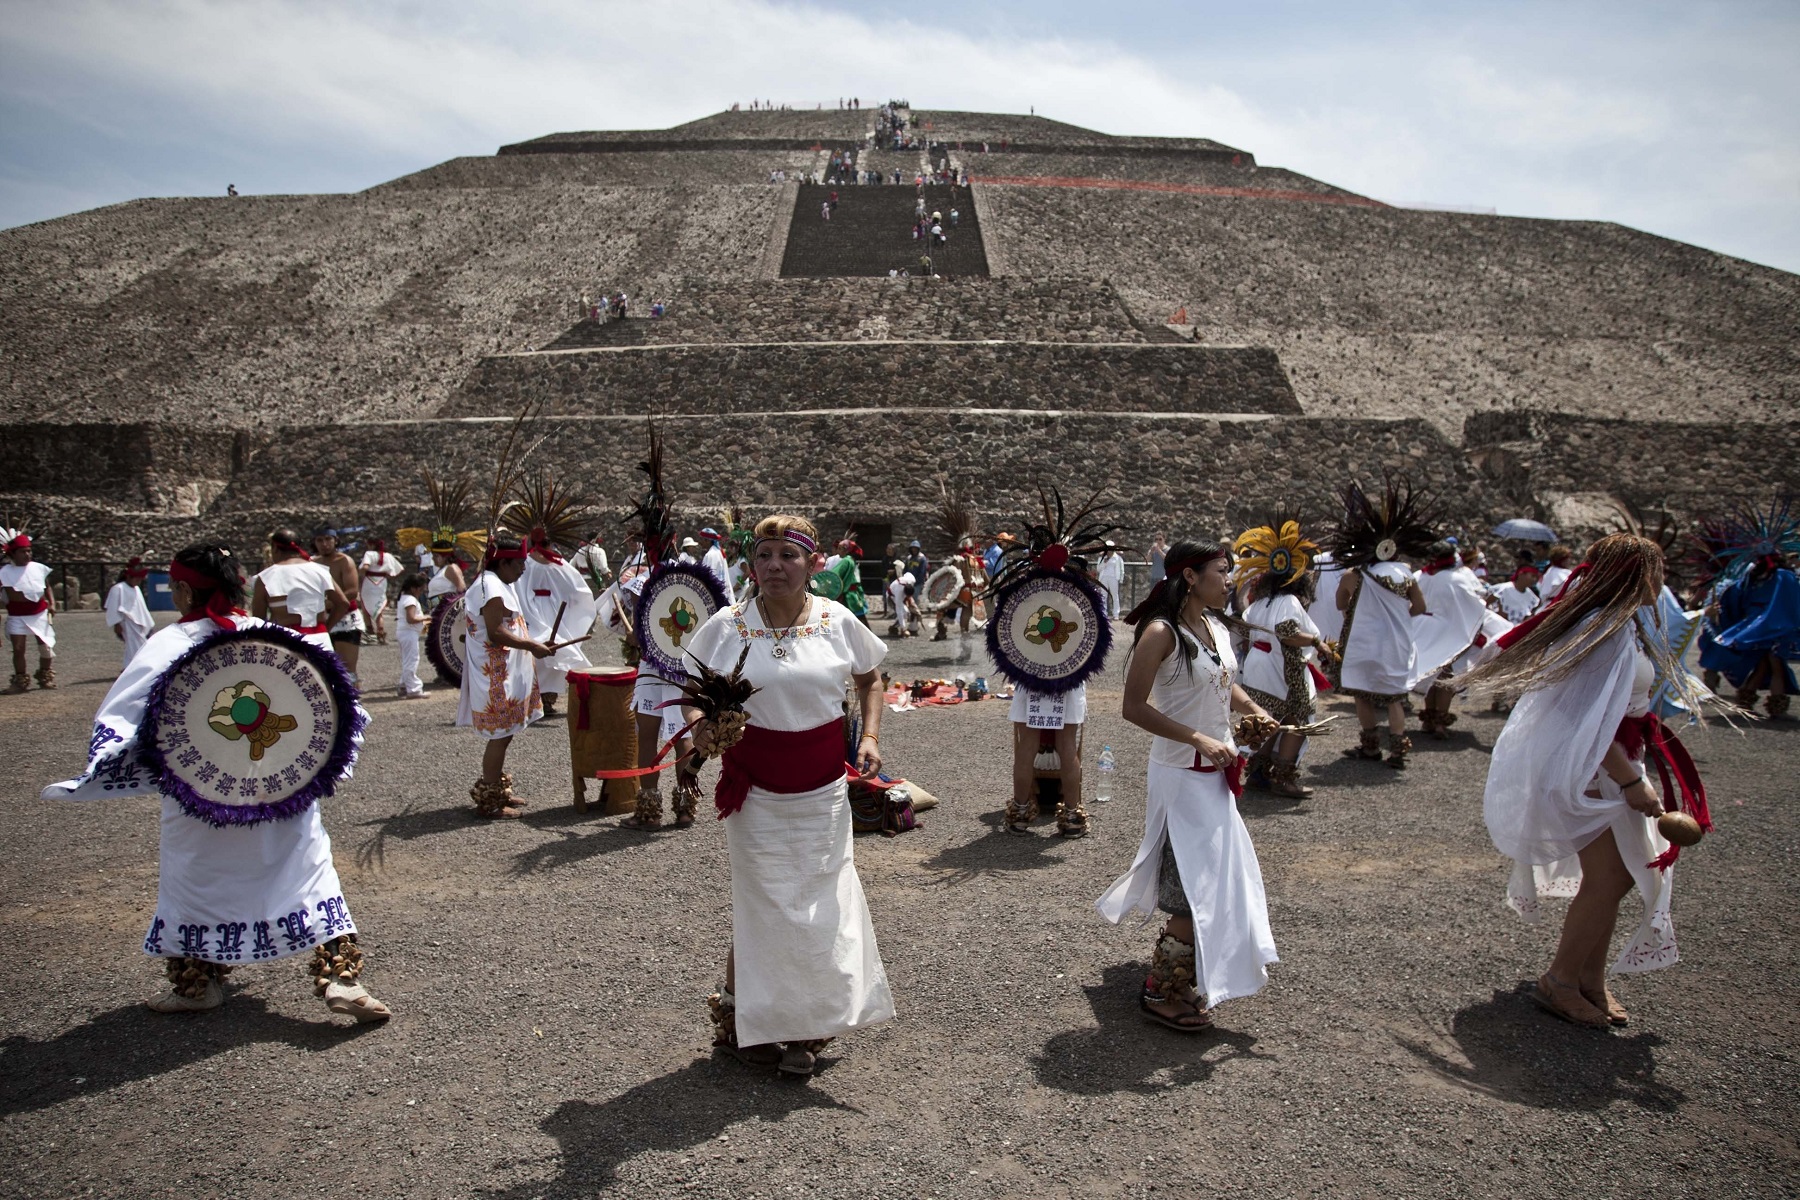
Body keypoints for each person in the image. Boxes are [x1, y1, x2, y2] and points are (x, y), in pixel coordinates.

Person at [41, 543, 389, 1021]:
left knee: (195, 883)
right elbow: (339, 710)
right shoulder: (272, 637)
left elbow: (123, 719)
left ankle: (195, 985)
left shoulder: (170, 643)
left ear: (183, 589)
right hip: (281, 790)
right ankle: (342, 978)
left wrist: (102, 768)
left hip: (203, 798)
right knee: (308, 871)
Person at [1457, 533, 1711, 1028]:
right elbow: (1583, 721)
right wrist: (1630, 781)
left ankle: (1590, 979)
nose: (1662, 582)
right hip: (1595, 768)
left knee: (1616, 878)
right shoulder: (1604, 630)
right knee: (1613, 876)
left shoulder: (1620, 624)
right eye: (1656, 572)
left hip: (1610, 762)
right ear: (1636, 575)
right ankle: (1561, 979)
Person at [685, 515, 892, 1077]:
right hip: (753, 795)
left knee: (822, 904)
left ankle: (806, 1028)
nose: (775, 565)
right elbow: (693, 693)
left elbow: (871, 677)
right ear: (751, 564)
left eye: (788, 555)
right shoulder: (727, 626)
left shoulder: (836, 620)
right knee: (764, 903)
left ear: (812, 563)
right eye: (765, 555)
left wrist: (869, 736)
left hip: (822, 793)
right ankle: (741, 1021)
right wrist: (703, 728)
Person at [1098, 541, 1281, 1032]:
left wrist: (1254, 711)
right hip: (1180, 776)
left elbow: (1225, 683)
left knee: (1221, 880)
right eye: (1223, 571)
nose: (1231, 579)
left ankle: (1186, 976)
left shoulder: (1216, 628)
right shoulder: (1162, 633)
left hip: (1215, 778)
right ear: (1192, 577)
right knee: (1190, 885)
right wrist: (1197, 737)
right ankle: (1160, 991)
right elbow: (1132, 707)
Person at [1325, 479, 1436, 769]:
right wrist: (1398, 617)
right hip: (1395, 644)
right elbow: (1421, 607)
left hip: (1362, 644)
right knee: (1394, 698)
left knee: (1362, 694)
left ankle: (1370, 747)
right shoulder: (1406, 574)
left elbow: (1340, 604)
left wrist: (1359, 614)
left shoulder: (1353, 575)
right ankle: (1398, 751)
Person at [458, 533, 555, 819]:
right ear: (502, 564)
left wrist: (533, 643)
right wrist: (531, 645)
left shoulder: (497, 583)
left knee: (506, 734)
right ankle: (490, 801)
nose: (524, 568)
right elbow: (495, 632)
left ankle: (497, 789)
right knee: (500, 736)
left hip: (503, 670)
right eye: (519, 564)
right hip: (495, 675)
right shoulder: (489, 587)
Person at [1232, 518, 1330, 798]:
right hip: (1282, 668)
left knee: (1267, 719)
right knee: (1297, 720)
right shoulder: (1289, 602)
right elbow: (1286, 632)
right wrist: (1315, 641)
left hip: (1257, 667)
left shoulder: (1261, 602)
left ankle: (1259, 773)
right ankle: (1284, 778)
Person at [1409, 540, 1492, 740]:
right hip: (1447, 631)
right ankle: (1439, 722)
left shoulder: (1419, 576)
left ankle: (1428, 719)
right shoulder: (1455, 579)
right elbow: (1474, 603)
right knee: (1445, 676)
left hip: (1419, 629)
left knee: (1429, 672)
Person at [251, 529, 349, 653]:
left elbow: (258, 620)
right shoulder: (319, 570)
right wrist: (326, 627)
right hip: (320, 641)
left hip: (284, 642)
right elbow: (343, 603)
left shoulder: (265, 577)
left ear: (274, 548)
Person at [2, 527, 55, 692]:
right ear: (14, 554)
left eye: (29, 551)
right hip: (17, 614)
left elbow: (47, 587)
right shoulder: (4, 573)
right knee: (18, 649)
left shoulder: (38, 568)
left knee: (45, 647)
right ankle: (20, 680)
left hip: (39, 613)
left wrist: (52, 603)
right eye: (23, 552)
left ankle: (45, 677)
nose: (27, 555)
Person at [312, 528, 365, 686]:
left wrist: (328, 602)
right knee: (324, 668)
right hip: (322, 617)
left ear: (335, 540)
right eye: (320, 540)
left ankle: (354, 705)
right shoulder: (312, 563)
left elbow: (352, 591)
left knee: (347, 669)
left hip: (345, 618)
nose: (324, 544)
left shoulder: (344, 561)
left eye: (328, 539)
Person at [104, 557, 157, 669]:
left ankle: (129, 667)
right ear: (128, 576)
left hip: (138, 622)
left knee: (137, 646)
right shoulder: (118, 588)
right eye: (136, 578)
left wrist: (147, 621)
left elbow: (141, 607)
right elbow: (113, 607)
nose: (138, 581)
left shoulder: (136, 589)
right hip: (127, 621)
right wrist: (117, 624)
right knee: (134, 646)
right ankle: (135, 667)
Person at [358, 539, 403, 645]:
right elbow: (399, 569)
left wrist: (358, 573)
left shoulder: (369, 554)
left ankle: (370, 633)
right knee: (379, 608)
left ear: (372, 545)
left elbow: (365, 567)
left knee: (366, 608)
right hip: (382, 582)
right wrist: (386, 575)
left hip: (369, 582)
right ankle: (381, 632)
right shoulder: (387, 556)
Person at [395, 573, 429, 698]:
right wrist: (426, 617)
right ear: (414, 588)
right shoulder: (410, 600)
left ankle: (404, 685)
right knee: (412, 660)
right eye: (420, 589)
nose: (421, 592)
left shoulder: (404, 598)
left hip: (405, 632)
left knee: (407, 660)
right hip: (409, 632)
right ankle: (413, 688)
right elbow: (411, 618)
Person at [1097, 541, 1126, 618]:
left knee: (1115, 596)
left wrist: (1121, 579)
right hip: (1103, 578)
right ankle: (1104, 613)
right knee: (1103, 596)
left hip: (1113, 578)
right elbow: (1098, 569)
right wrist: (1104, 563)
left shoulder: (1118, 558)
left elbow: (1121, 569)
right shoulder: (1102, 558)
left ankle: (1116, 614)